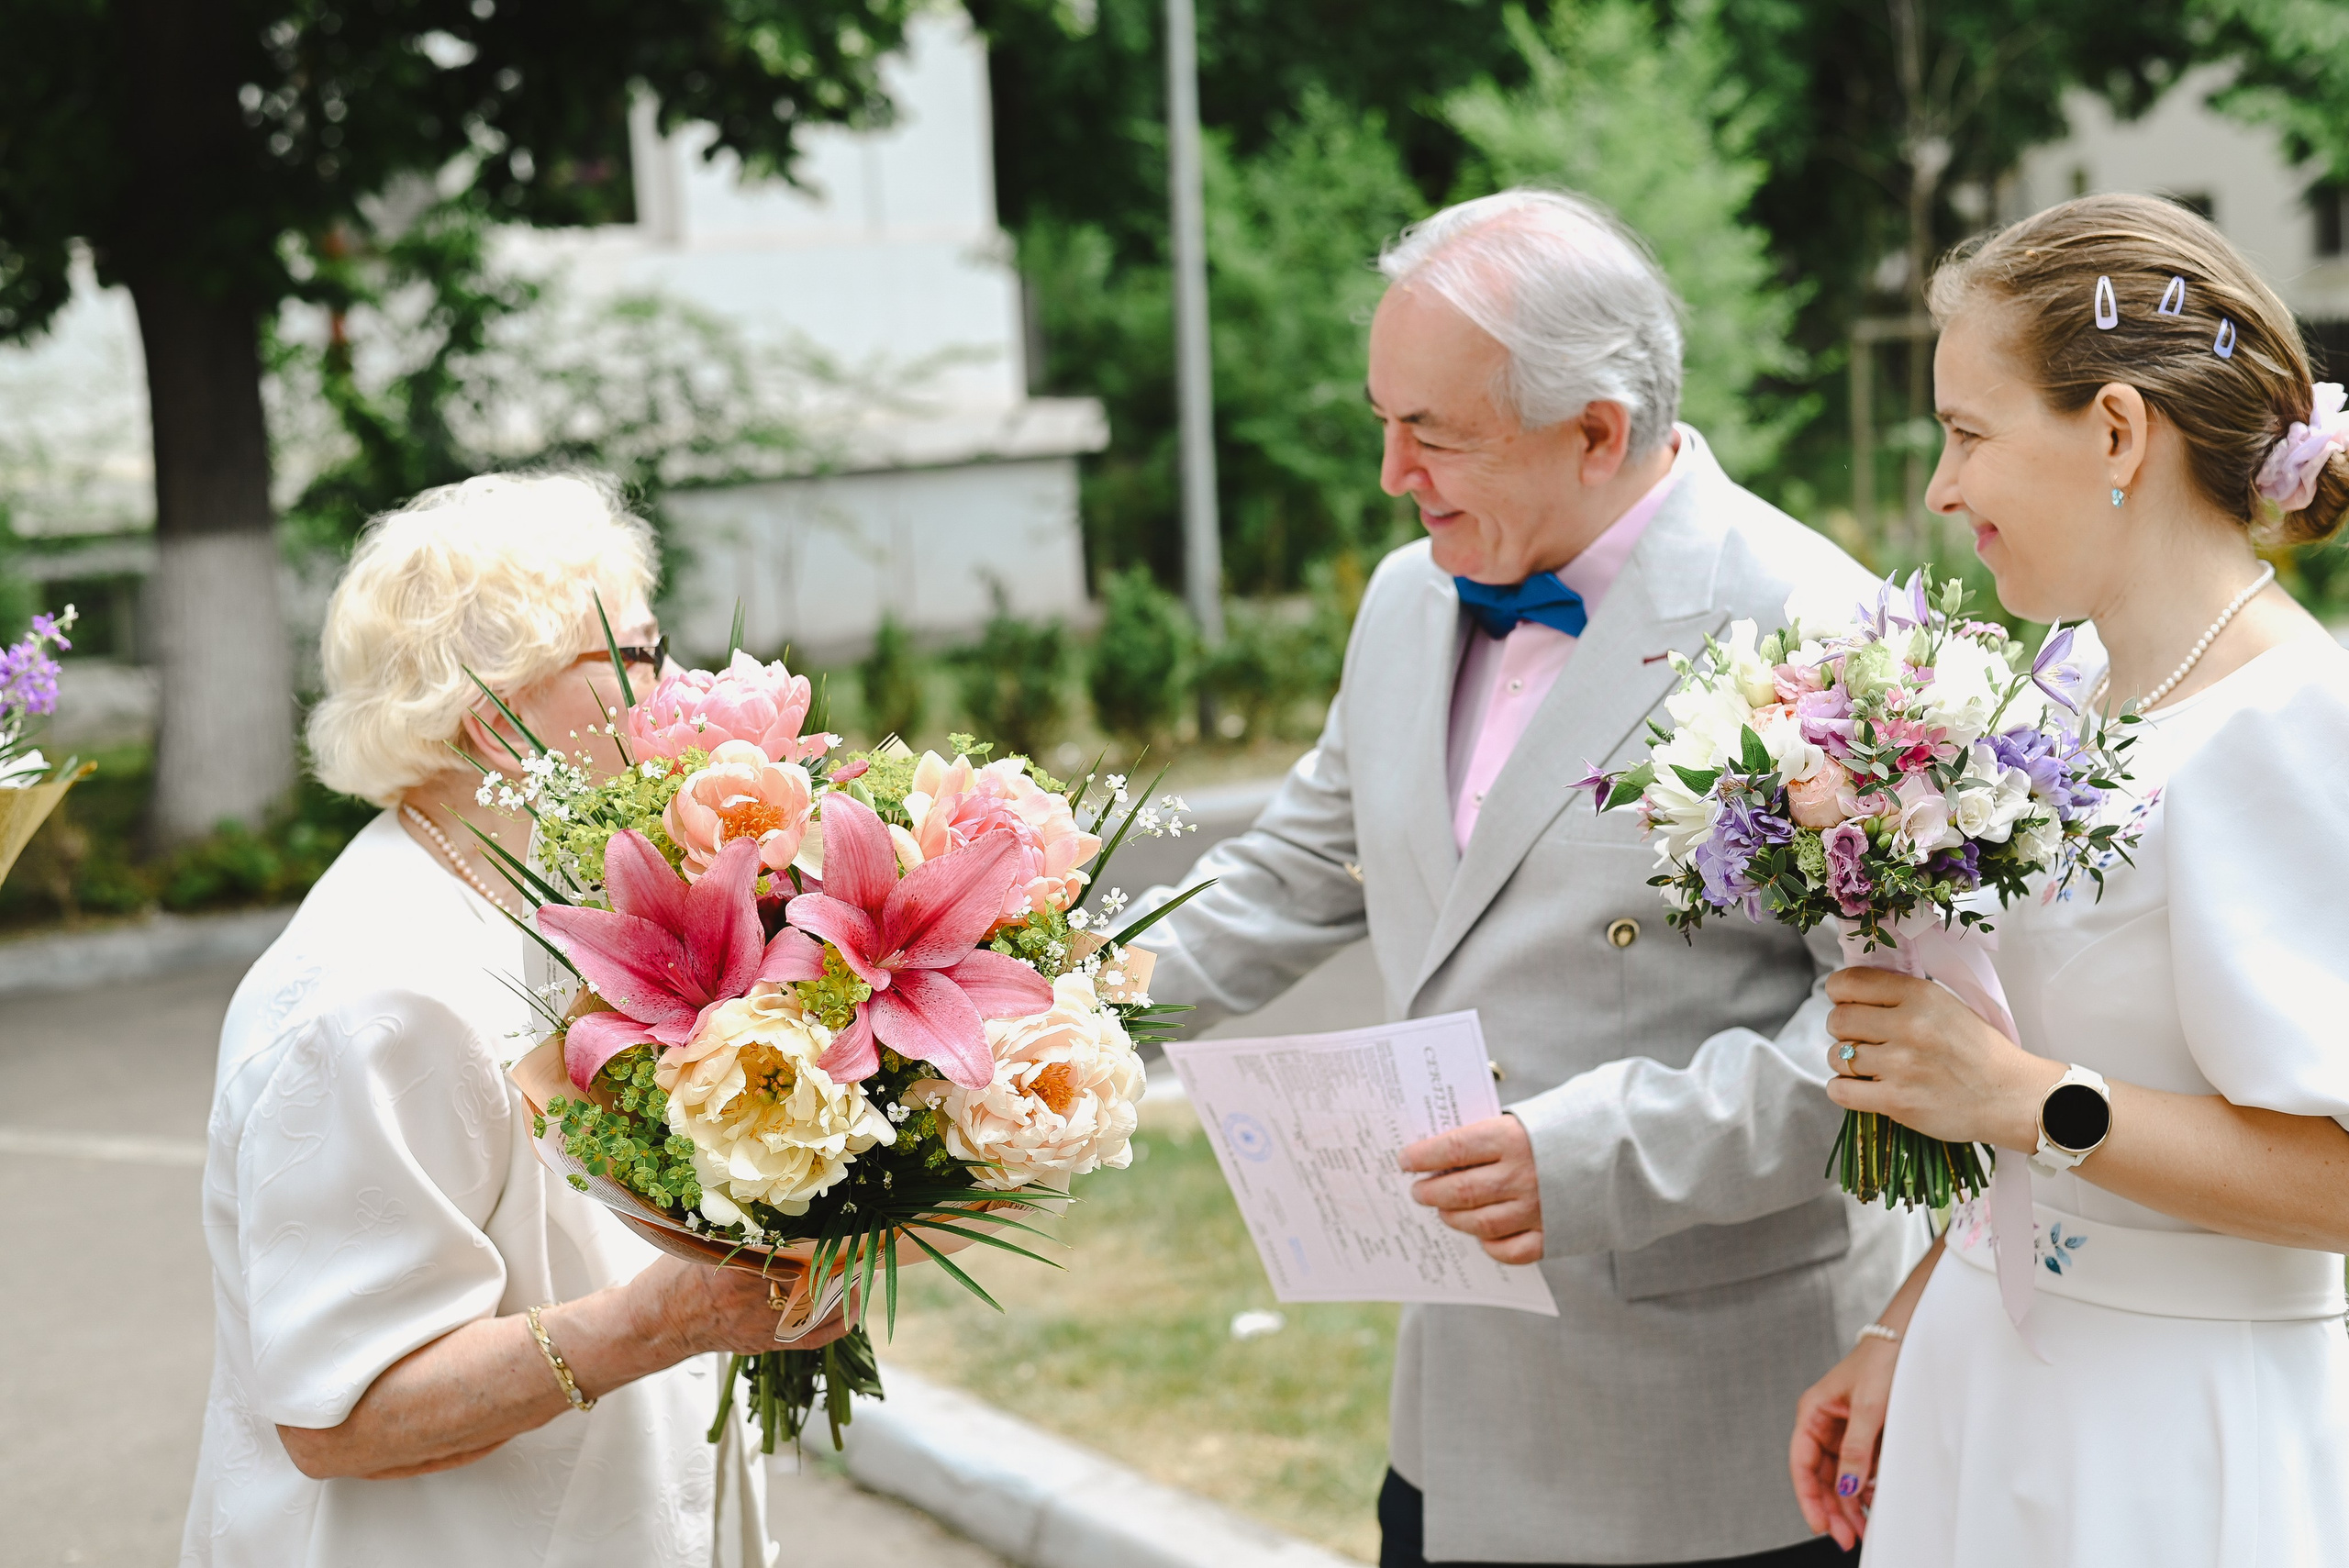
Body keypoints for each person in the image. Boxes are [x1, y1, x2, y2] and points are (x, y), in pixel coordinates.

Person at [1129, 188, 1916, 1567]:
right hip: (1449, 1432)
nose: (1390, 473)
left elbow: (1890, 1044)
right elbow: (1287, 875)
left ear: (1599, 431)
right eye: (1383, 419)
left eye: (1433, 433)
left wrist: (1589, 1156)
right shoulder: (1406, 596)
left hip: (1716, 1453)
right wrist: (1015, 1023)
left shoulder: (1824, 629)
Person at [1788, 194, 2349, 1564]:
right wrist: (1909, 1316)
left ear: (2115, 432)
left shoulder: (2293, 722)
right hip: (1997, 1386)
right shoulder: (2073, 686)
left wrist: (2016, 1096)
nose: (1941, 488)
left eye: (1969, 434)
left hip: (2163, 1432)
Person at [181, 473, 843, 1567]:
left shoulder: (550, 896)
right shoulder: (375, 993)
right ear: (496, 728)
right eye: (635, 657)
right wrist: (665, 1319)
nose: (677, 684)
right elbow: (340, 1413)